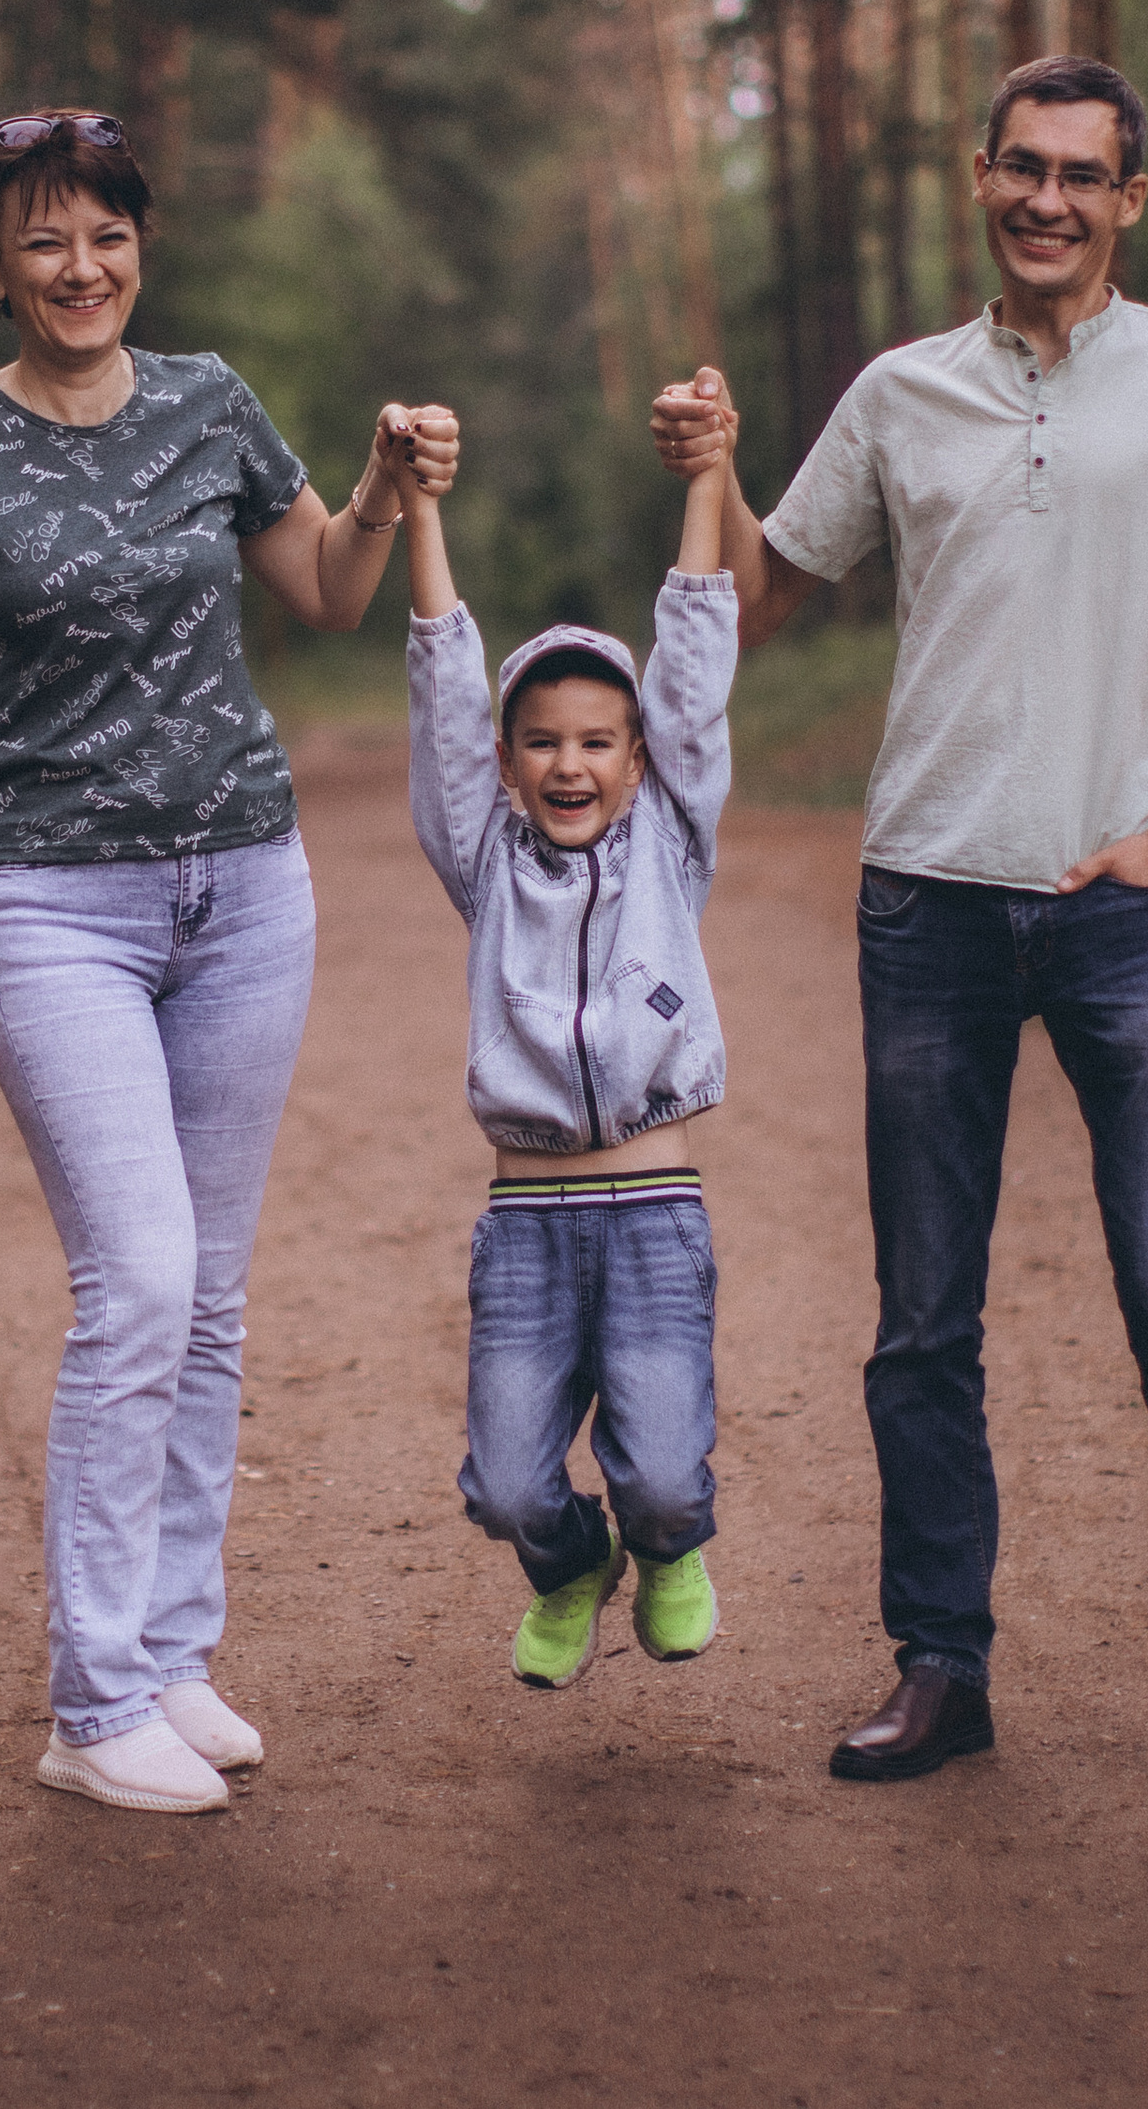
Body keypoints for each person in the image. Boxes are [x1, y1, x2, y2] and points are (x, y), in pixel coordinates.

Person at [654, 55, 1148, 1805]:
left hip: (1121, 911)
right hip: (929, 903)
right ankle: (940, 1670)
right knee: (922, 1322)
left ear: (1130, 199)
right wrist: (716, 474)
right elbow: (756, 606)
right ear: (981, 177)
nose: (1049, 200)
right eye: (1024, 168)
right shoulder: (902, 393)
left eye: (1083, 175)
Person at [0, 108, 459, 1817]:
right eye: (43, 239)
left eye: (107, 234)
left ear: (141, 248)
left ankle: (174, 1653)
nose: (81, 268)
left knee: (211, 1298)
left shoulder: (210, 405)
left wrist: (383, 488)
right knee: (138, 1281)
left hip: (247, 890)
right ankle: (94, 1697)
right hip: (55, 906)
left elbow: (327, 588)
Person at [402, 369, 740, 1690]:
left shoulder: (671, 846)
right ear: (507, 764)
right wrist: (423, 510)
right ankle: (569, 1564)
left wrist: (705, 480)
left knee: (664, 1474)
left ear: (640, 761)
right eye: (540, 741)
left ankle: (665, 1547)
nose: (569, 764)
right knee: (501, 1484)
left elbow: (693, 671)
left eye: (599, 741)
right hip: (528, 1222)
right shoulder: (487, 863)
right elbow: (444, 698)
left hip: (652, 1211)